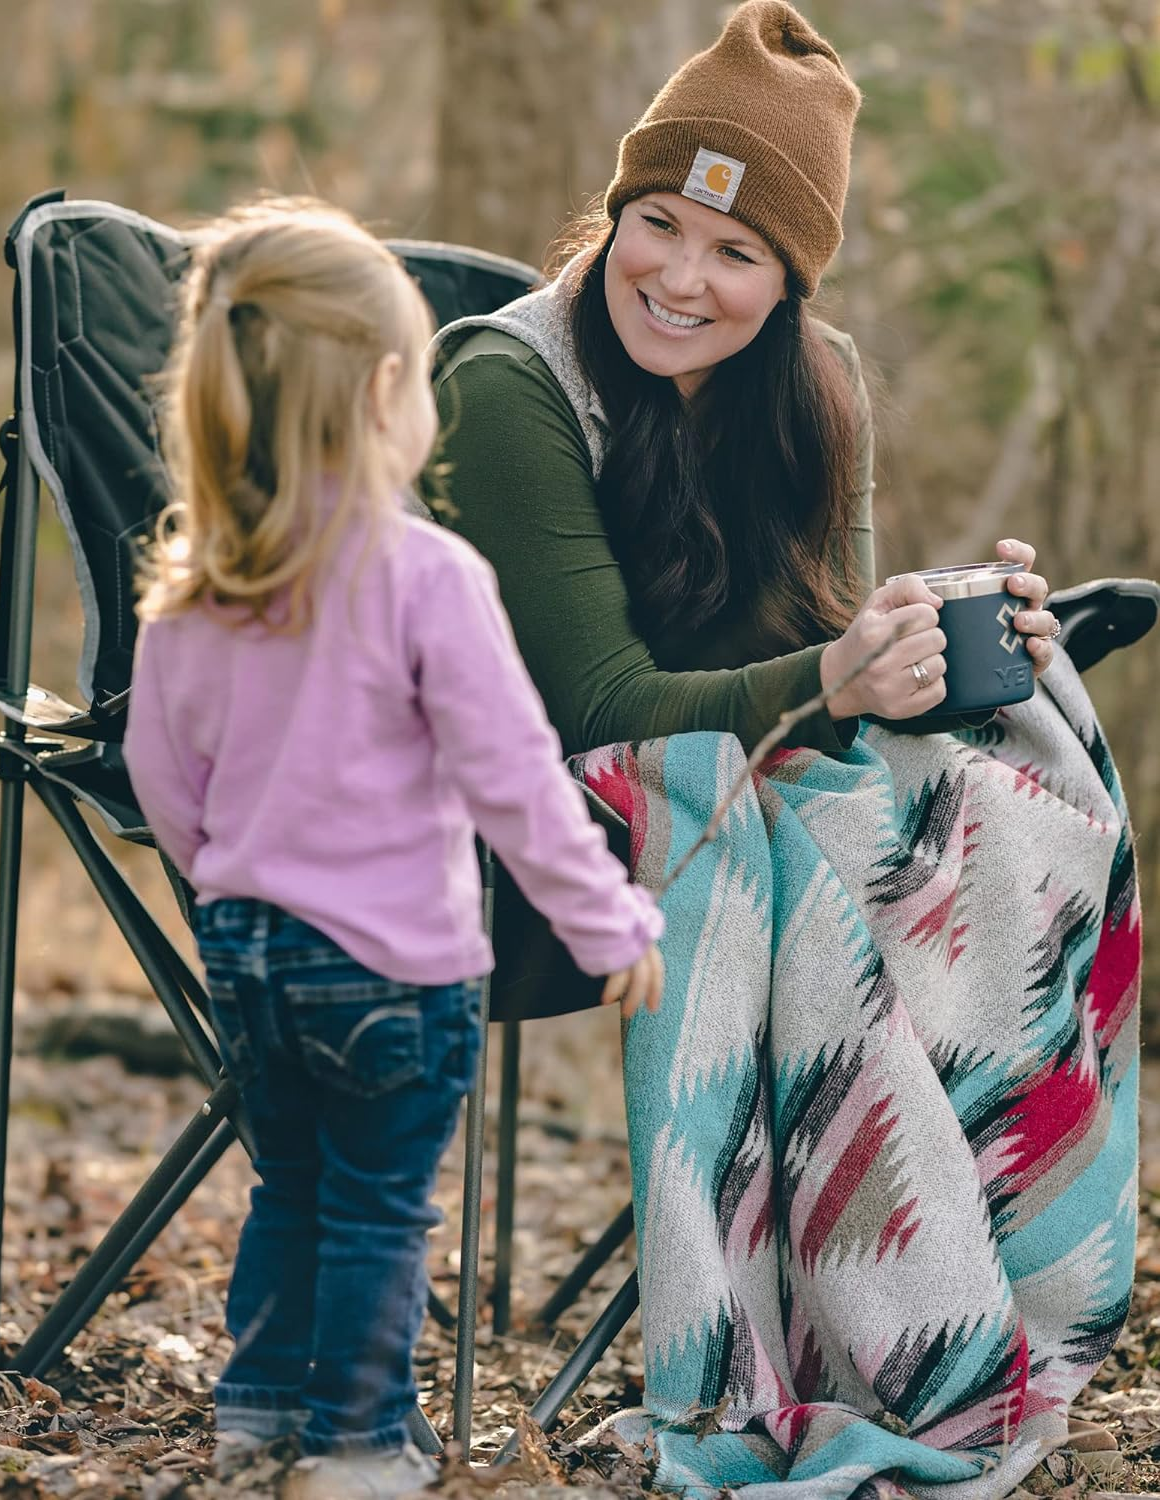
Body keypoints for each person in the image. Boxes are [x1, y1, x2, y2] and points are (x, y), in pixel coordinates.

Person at [432, 4, 1138, 1496]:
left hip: (738, 794)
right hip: (511, 839)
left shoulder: (817, 395)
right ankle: (873, 1312)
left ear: (790, 280)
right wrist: (837, 674)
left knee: (1005, 809)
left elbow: (830, 659)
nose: (682, 275)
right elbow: (597, 705)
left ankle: (950, 1304)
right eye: (659, 222)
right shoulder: (509, 386)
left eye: (736, 253)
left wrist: (959, 641)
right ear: (618, 209)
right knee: (832, 845)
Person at [122, 200, 666, 1500]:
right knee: (377, 1208)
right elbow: (518, 783)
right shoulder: (425, 576)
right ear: (383, 392)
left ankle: (258, 1418)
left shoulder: (192, 596)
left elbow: (157, 777)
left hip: (248, 961)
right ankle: (359, 1445)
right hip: (394, 971)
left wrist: (226, 891)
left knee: (293, 1189)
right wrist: (609, 924)